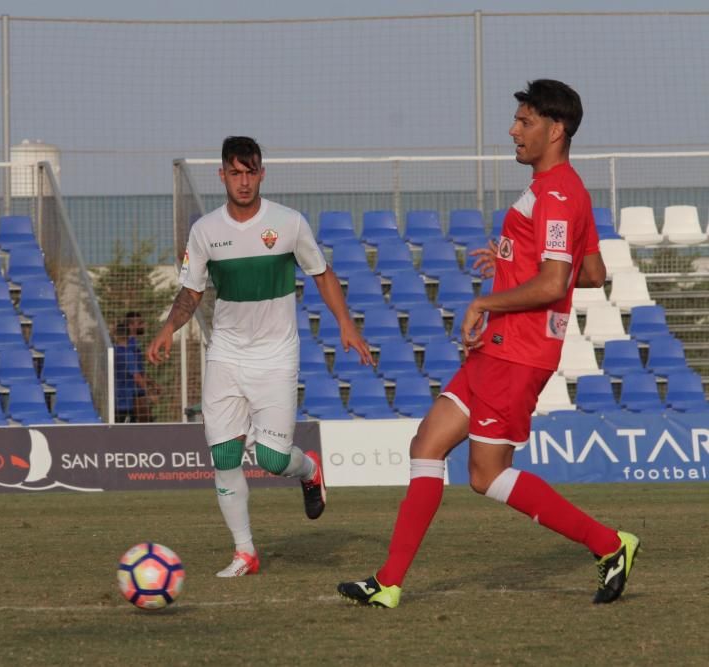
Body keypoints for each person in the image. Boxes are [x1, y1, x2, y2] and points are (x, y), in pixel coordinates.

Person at [337, 80, 639, 608]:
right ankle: (388, 582)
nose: (513, 130)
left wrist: (484, 302)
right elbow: (589, 272)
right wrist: (508, 261)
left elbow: (553, 283)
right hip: (496, 349)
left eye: (524, 121)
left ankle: (610, 544)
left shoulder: (559, 194)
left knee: (485, 475)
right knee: (427, 445)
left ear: (555, 129)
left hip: (517, 353)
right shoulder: (560, 190)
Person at [147, 136, 373, 577]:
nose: (244, 181)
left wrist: (345, 323)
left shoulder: (288, 223)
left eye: (251, 172)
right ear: (222, 176)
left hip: (276, 354)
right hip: (227, 354)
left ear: (262, 174)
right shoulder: (206, 231)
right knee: (225, 456)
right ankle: (245, 552)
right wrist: (168, 328)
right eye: (236, 172)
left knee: (271, 459)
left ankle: (309, 469)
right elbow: (191, 290)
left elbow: (321, 274)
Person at [113, 314, 159, 423]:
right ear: (130, 327)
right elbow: (136, 375)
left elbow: (138, 371)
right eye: (140, 323)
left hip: (122, 397)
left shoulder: (113, 350)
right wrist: (150, 393)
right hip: (127, 400)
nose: (144, 325)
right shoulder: (128, 351)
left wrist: (151, 382)